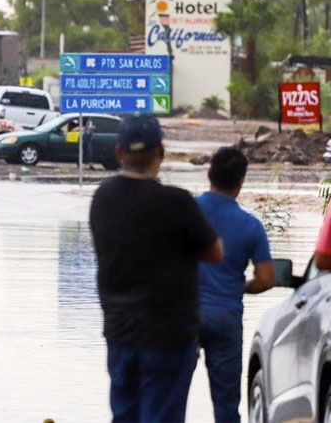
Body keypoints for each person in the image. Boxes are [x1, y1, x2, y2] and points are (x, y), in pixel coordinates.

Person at [89, 115, 223, 423]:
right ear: (160, 152)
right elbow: (215, 252)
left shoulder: (102, 198)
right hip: (169, 336)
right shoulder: (176, 202)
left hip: (120, 332)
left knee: (125, 416)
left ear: (119, 152)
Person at [195, 147, 274, 422]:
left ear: (209, 174)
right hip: (226, 316)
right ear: (241, 182)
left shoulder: (187, 211)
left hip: (183, 313)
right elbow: (267, 278)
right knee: (227, 404)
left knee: (170, 393)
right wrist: (238, 286)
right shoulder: (251, 226)